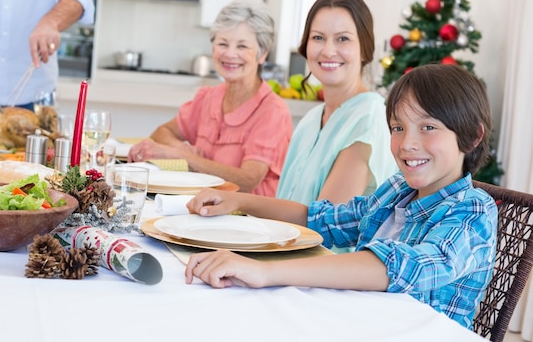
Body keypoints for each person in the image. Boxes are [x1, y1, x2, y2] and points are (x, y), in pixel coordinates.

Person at [184, 64, 498, 330]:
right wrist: (241, 201)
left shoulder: (472, 209)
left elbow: (402, 268)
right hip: (359, 323)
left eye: (428, 127)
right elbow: (321, 220)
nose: (407, 144)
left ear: (472, 136)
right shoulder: (395, 192)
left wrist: (265, 272)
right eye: (398, 127)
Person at [127, 0, 293, 196]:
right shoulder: (208, 97)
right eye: (223, 43)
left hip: (249, 220)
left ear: (262, 54)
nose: (230, 54)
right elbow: (162, 132)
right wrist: (182, 147)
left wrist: (180, 156)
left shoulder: (272, 112)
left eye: (242, 46)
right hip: (202, 211)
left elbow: (247, 181)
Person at [276, 0, 398, 206]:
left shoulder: (368, 119)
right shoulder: (311, 120)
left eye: (343, 39)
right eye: (318, 38)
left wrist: (242, 202)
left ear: (364, 49)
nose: (328, 50)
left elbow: (324, 222)